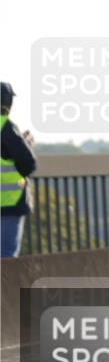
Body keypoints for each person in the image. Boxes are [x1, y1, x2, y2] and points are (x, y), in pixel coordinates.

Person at [1, 82, 36, 258]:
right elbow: (28, 163)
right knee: (6, 258)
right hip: (8, 203)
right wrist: (26, 145)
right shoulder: (5, 126)